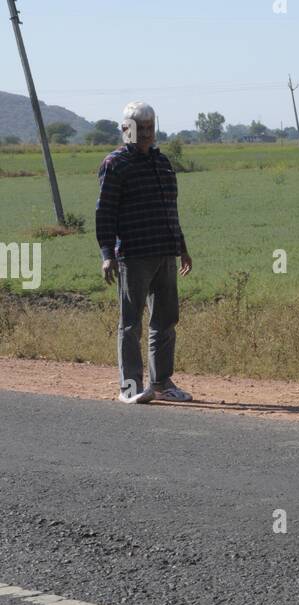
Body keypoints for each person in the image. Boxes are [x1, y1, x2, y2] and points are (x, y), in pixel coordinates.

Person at [95, 101, 193, 403]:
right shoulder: (115, 164)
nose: (147, 134)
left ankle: (162, 383)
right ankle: (130, 388)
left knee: (165, 321)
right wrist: (107, 254)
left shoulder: (162, 163)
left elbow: (170, 210)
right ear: (126, 129)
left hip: (165, 252)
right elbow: (105, 212)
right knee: (130, 324)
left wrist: (183, 249)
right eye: (140, 129)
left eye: (151, 128)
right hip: (134, 256)